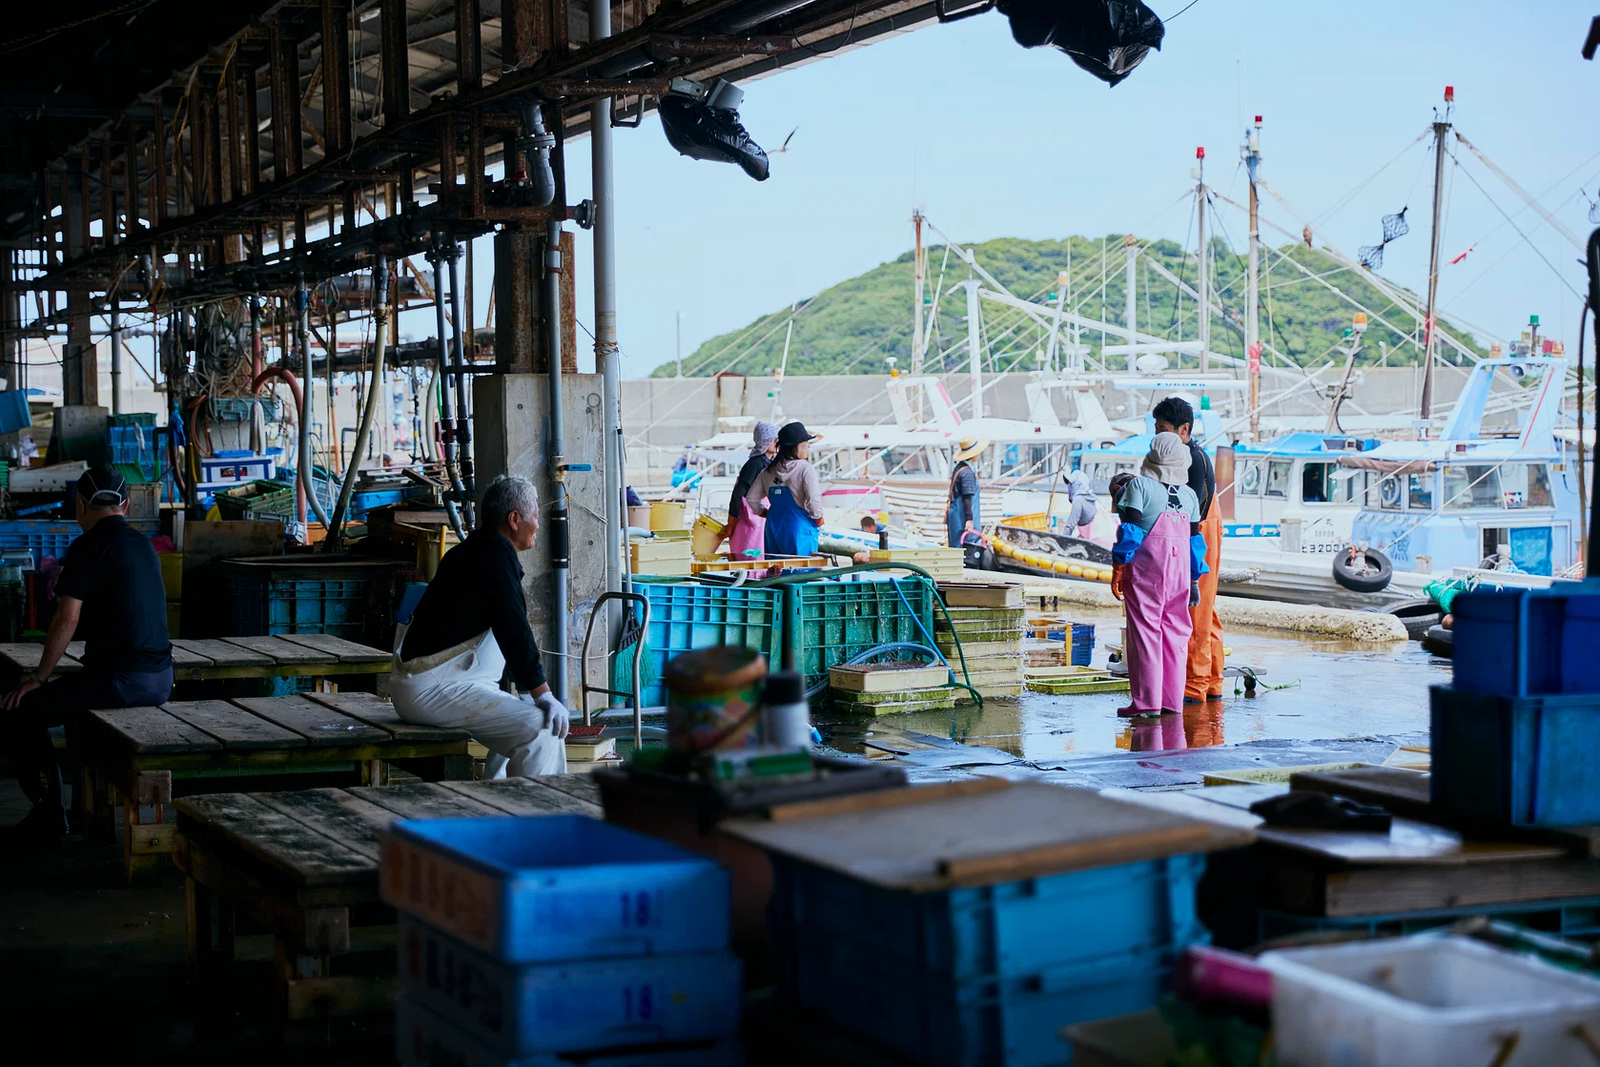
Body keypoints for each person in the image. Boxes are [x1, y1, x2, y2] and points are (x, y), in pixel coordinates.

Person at [1, 468, 173, 848]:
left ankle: (49, 814)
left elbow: (67, 617)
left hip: (121, 683)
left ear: (79, 505)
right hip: (161, 680)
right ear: (126, 506)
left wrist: (39, 677)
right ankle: (76, 808)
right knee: (75, 703)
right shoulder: (145, 545)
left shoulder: (88, 545)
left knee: (19, 710)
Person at [391, 475, 569, 778]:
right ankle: (537, 820)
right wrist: (541, 693)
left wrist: (528, 694)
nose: (538, 524)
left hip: (434, 683)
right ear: (514, 519)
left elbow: (506, 628)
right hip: (432, 687)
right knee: (543, 731)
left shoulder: (476, 550)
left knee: (518, 719)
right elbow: (512, 626)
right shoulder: (495, 555)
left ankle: (499, 803)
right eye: (536, 515)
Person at [1109, 433, 1208, 717]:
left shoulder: (1140, 485)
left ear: (1152, 455)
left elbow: (1131, 530)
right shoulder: (1189, 495)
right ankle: (1172, 703)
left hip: (1147, 568)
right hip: (1180, 571)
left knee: (1145, 632)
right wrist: (1193, 580)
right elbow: (1194, 542)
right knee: (1177, 633)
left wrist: (1118, 567)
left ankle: (1147, 703)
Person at [1152, 396, 1224, 704]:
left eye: (1165, 429)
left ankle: (1195, 686)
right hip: (1199, 527)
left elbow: (1194, 511)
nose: (1160, 436)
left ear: (1184, 430)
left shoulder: (1193, 459)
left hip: (1199, 531)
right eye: (1156, 429)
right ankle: (1213, 681)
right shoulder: (1175, 455)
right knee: (1207, 609)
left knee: (1196, 608)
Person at [747, 422, 825, 558]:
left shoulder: (768, 471)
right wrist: (818, 517)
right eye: (806, 443)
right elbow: (813, 499)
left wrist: (764, 512)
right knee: (801, 571)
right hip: (798, 528)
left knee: (776, 569)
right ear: (796, 446)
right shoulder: (804, 468)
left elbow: (751, 498)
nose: (808, 447)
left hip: (773, 527)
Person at [724, 421, 777, 561]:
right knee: (749, 555)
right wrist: (731, 523)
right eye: (774, 440)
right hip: (748, 519)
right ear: (766, 441)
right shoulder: (756, 463)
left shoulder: (769, 462)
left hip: (758, 518)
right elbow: (738, 494)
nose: (778, 443)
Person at [946, 436, 988, 548]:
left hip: (956, 515)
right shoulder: (967, 473)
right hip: (962, 517)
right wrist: (969, 520)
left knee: (955, 546)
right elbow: (967, 498)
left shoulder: (959, 468)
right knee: (967, 546)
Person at [1062, 469, 1098, 536]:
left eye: (1071, 484)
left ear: (1077, 485)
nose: (1069, 487)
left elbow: (1070, 525)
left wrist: (1061, 541)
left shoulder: (1078, 500)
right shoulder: (1091, 497)